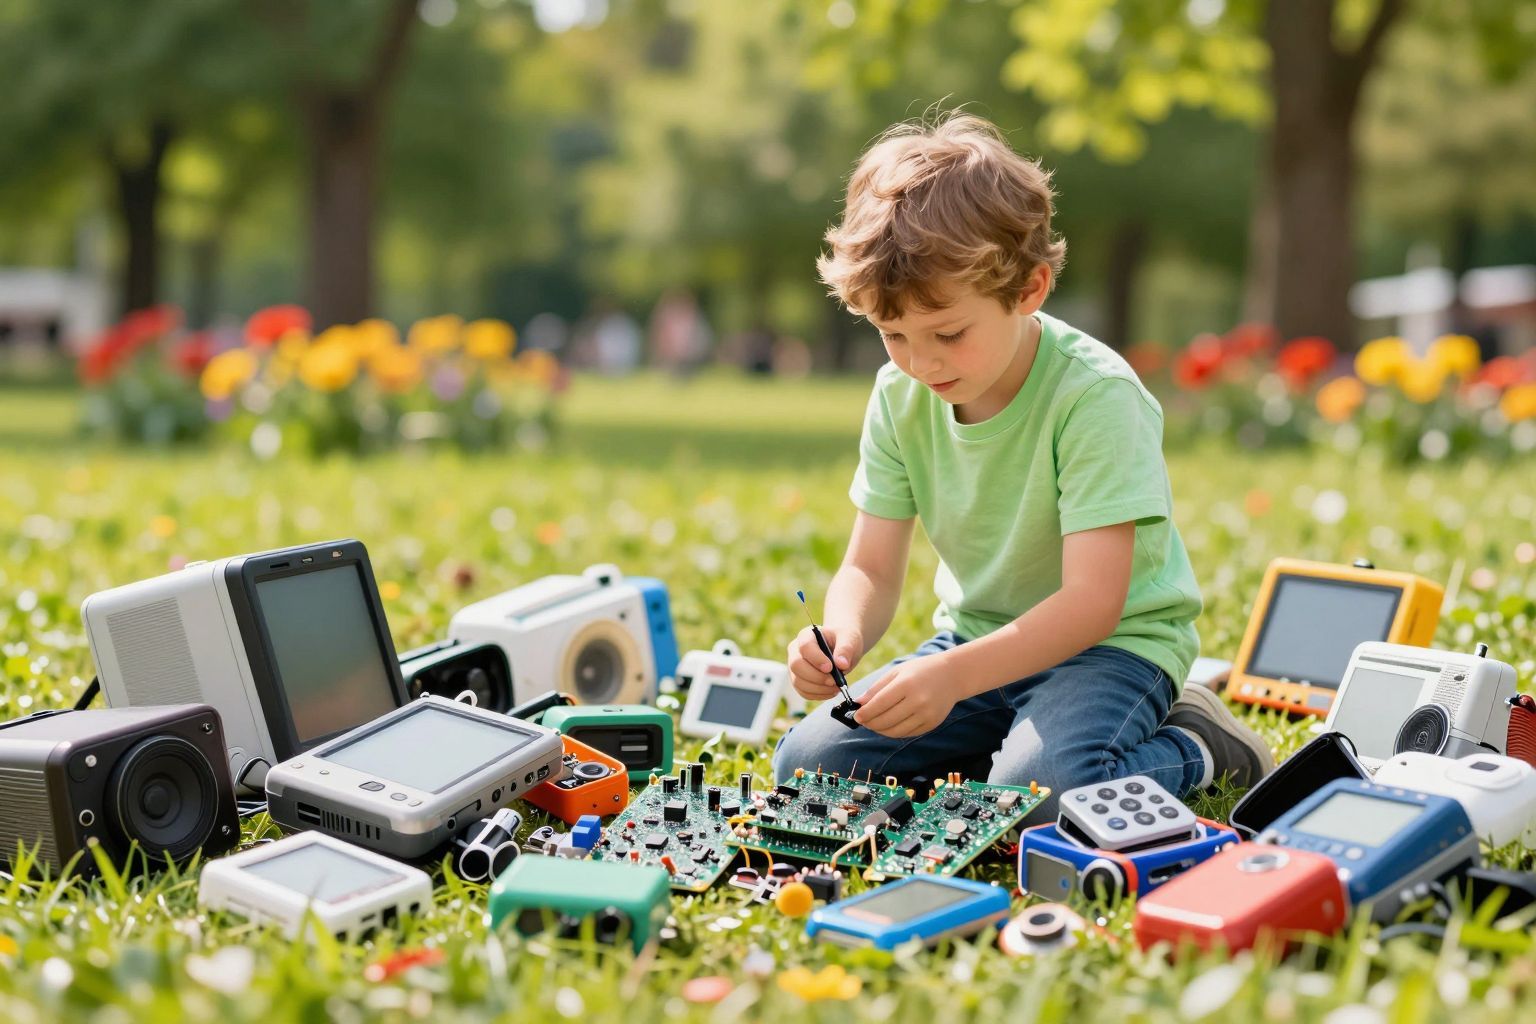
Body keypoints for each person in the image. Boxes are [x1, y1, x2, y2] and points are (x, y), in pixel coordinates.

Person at [772, 114, 1272, 820]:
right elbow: (870, 568)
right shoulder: (900, 395)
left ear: (1029, 291)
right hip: (976, 642)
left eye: (948, 333)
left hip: (1112, 649)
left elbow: (1093, 603)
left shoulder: (1095, 396)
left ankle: (1200, 744)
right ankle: (1009, 758)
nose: (922, 362)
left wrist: (949, 677)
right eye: (894, 335)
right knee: (805, 768)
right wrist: (843, 635)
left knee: (1043, 802)